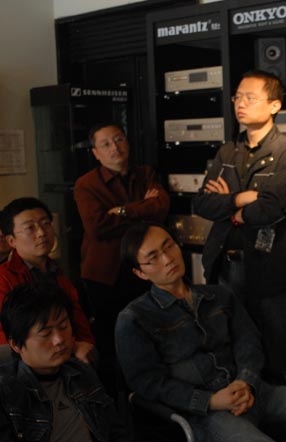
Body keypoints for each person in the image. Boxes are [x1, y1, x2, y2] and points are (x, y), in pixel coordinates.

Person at [115, 221, 286, 442]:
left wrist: (246, 381)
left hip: (255, 390)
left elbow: (248, 341)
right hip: (207, 413)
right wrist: (210, 400)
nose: (167, 258)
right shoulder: (134, 319)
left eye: (169, 246)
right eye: (153, 258)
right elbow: (148, 383)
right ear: (140, 273)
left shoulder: (219, 295)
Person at [192, 70, 286, 381]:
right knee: (233, 351)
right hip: (225, 265)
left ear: (274, 105)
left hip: (271, 269)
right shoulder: (227, 151)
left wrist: (231, 207)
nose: (240, 103)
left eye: (250, 97)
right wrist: (242, 198)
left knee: (281, 355)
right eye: (237, 97)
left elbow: (270, 207)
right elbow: (202, 204)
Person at [73, 122, 169, 393]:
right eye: (105, 144)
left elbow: (161, 208)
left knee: (148, 333)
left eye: (119, 139)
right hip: (105, 275)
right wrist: (142, 208)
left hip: (144, 268)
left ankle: (148, 392)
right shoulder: (86, 184)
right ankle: (117, 398)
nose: (114, 147)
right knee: (112, 339)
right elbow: (98, 227)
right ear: (96, 153)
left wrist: (123, 211)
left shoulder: (145, 173)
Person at [0, 282, 130, 441]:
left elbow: (115, 431)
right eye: (45, 334)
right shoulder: (7, 393)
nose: (59, 339)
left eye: (63, 326)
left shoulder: (81, 372)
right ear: (15, 344)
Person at [0, 197, 95, 364]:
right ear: (11, 240)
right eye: (30, 228)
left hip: (67, 357)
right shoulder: (4, 278)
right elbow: (5, 339)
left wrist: (85, 346)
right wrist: (73, 346)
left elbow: (79, 324)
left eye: (46, 224)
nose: (42, 233)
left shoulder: (57, 272)